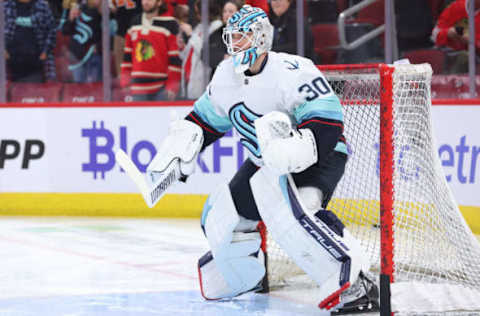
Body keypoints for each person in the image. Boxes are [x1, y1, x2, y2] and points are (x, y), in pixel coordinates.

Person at [146, 5, 379, 313]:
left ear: (261, 38)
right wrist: (180, 151)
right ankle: (246, 276)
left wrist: (295, 152)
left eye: (241, 37)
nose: (234, 45)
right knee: (220, 217)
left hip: (318, 155)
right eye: (232, 37)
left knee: (297, 215)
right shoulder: (225, 76)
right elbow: (205, 120)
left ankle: (357, 284)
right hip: (267, 163)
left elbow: (328, 121)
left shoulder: (293, 69)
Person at [120, 0, 181, 101]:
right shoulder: (134, 22)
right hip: (137, 88)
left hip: (161, 88)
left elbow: (175, 59)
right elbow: (127, 57)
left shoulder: (170, 23)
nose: (145, 2)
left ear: (159, 2)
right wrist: (125, 82)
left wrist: (172, 86)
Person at [5, 0, 57, 82]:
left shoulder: (42, 6)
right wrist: (3, 51)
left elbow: (52, 31)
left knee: (33, 92)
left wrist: (45, 52)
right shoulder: (6, 6)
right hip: (9, 63)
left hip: (35, 62)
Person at [179, 0, 222, 99]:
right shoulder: (199, 27)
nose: (197, 16)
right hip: (189, 77)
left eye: (198, 13)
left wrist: (190, 34)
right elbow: (187, 55)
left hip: (203, 79)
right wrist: (181, 46)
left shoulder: (217, 27)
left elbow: (205, 52)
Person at [431, 0, 480, 73]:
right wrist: (448, 33)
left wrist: (472, 41)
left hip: (472, 59)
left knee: (463, 57)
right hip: (446, 52)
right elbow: (435, 35)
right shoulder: (456, 6)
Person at [61, 0, 103, 83]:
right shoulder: (74, 6)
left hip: (93, 53)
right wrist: (71, 18)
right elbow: (65, 31)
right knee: (78, 86)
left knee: (95, 86)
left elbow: (106, 29)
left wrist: (100, 7)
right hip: (76, 54)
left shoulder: (101, 8)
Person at [207, 0, 243, 78]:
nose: (227, 14)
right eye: (225, 11)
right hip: (219, 78)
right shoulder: (216, 33)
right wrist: (223, 57)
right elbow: (204, 53)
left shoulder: (246, 33)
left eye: (231, 11)